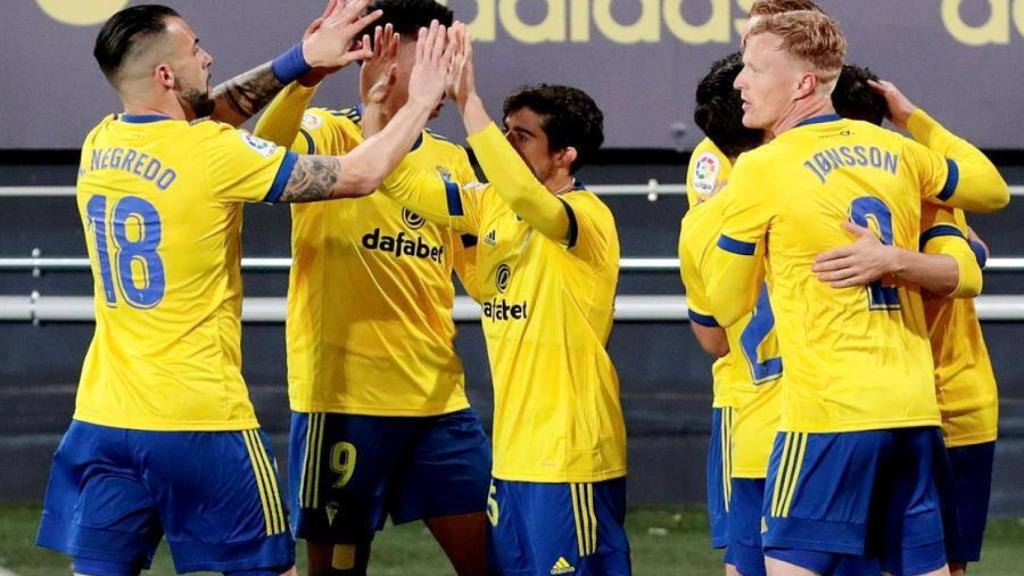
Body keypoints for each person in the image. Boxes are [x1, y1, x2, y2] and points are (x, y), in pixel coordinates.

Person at [34, 3, 456, 575]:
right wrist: (422, 101)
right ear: (164, 76)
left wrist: (300, 63)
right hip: (201, 418)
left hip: (104, 417)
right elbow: (358, 175)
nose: (207, 58)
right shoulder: (212, 152)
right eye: (195, 50)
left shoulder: (100, 144)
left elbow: (210, 109)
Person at [704, 10, 1007, 576]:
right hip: (914, 409)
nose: (740, 82)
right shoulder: (898, 152)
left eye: (752, 69)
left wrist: (736, 235)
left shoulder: (760, 167)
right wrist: (913, 118)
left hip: (827, 412)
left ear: (802, 84)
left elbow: (725, 307)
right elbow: (991, 189)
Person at [371, 24, 631, 576]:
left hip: (571, 454)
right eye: (505, 132)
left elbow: (522, 193)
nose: (505, 144)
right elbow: (399, 185)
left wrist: (470, 103)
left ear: (565, 155)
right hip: (513, 455)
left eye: (522, 136)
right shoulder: (488, 203)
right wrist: (380, 109)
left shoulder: (586, 219)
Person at [251, 3, 491, 574]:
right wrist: (309, 74)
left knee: (493, 561)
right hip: (343, 402)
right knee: (337, 568)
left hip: (438, 402)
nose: (445, 67)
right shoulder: (328, 132)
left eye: (450, 53)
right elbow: (263, 144)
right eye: (431, 54)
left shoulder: (453, 160)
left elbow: (482, 278)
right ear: (384, 53)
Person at [818, 78, 999, 576]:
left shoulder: (903, 191)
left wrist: (895, 260)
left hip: (935, 405)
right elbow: (977, 247)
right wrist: (913, 117)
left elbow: (966, 272)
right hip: (911, 402)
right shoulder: (922, 186)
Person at [680, 52, 767, 576]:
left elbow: (713, 335)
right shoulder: (717, 165)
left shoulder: (711, 198)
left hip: (755, 399)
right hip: (773, 396)